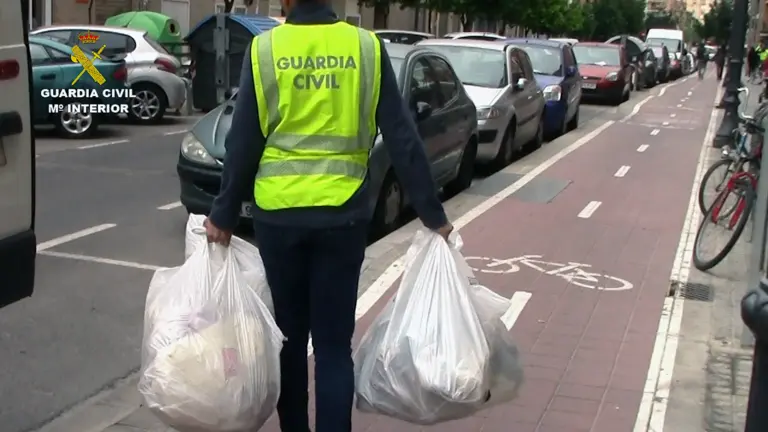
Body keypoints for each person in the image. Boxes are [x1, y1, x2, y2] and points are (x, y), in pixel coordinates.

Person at [203, 0, 453, 430]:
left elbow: (243, 143)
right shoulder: (366, 49)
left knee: (289, 341)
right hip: (343, 218)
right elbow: (402, 138)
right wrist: (433, 215)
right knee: (335, 348)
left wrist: (223, 215)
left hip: (279, 219)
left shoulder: (265, 50)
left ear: (285, 1)